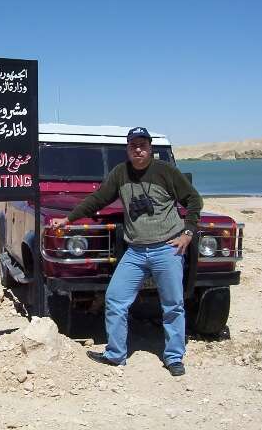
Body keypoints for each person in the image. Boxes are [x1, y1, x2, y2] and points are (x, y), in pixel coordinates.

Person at [52, 126, 203, 376]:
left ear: (150, 148)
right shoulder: (120, 173)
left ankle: (174, 357)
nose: (138, 149)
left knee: (173, 304)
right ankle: (115, 355)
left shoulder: (166, 172)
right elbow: (97, 199)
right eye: (133, 145)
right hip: (134, 251)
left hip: (167, 248)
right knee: (115, 299)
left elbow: (194, 200)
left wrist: (188, 233)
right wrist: (69, 220)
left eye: (143, 145)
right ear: (128, 149)